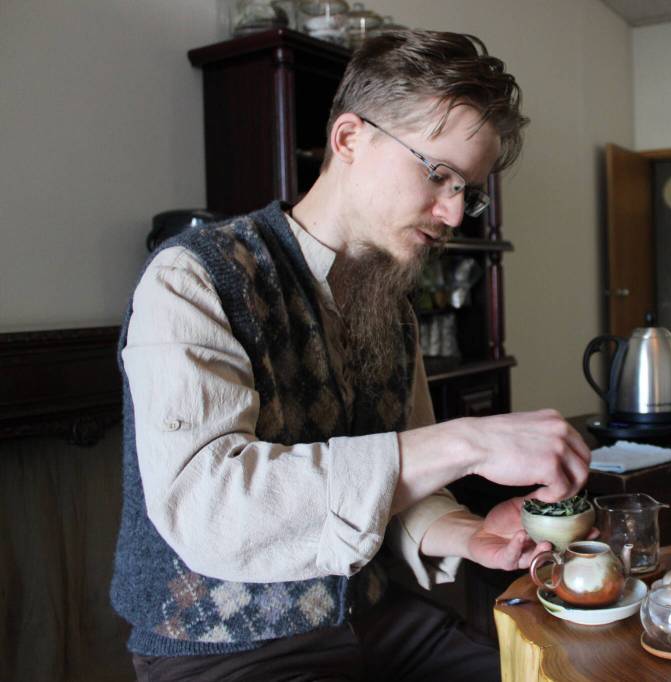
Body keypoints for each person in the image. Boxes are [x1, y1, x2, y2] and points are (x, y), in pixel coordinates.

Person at [110, 30, 592, 681]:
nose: (455, 214)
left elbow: (401, 484)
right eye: (438, 175)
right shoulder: (194, 278)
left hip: (373, 620)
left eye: (468, 190)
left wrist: (467, 533)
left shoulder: (391, 305)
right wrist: (469, 442)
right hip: (225, 653)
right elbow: (210, 508)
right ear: (348, 139)